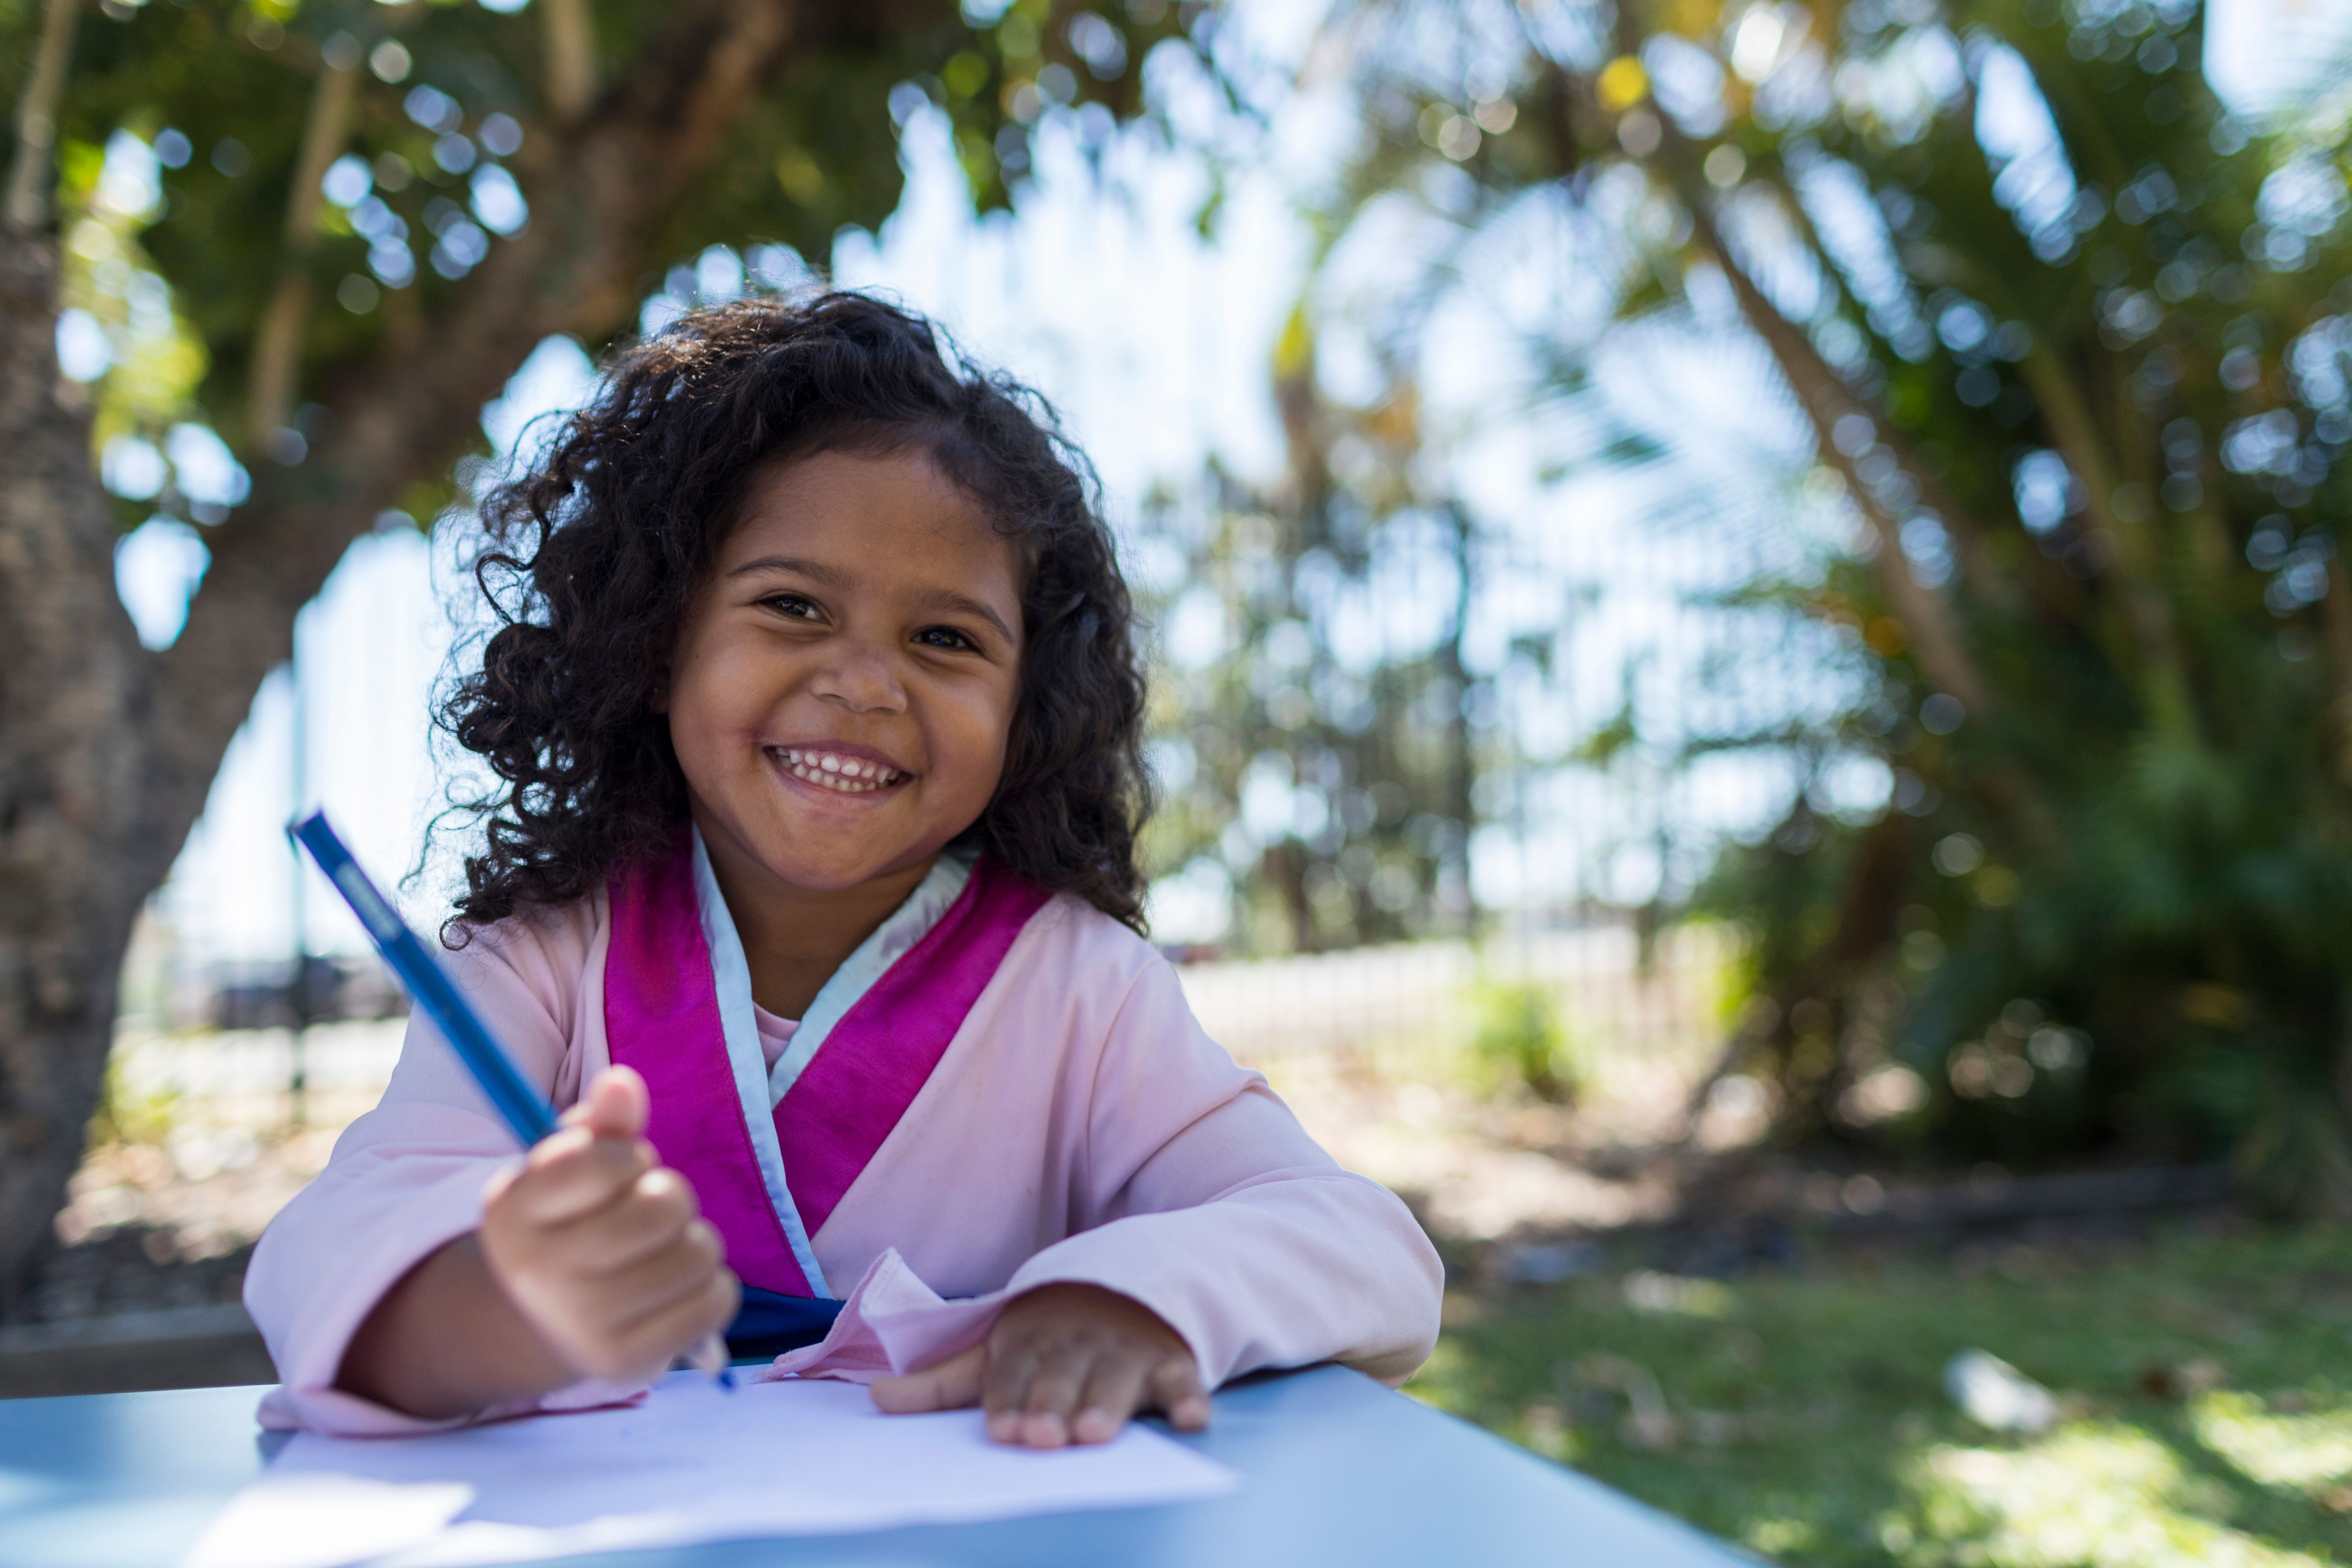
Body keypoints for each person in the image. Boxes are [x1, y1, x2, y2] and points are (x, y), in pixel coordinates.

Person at [244, 293, 1442, 1445]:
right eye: (793, 607)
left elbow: (1364, 1248)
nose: (866, 684)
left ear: (1028, 706)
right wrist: (498, 1300)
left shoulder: (1085, 988)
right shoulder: (544, 961)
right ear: (658, 640)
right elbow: (328, 1252)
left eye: (945, 638)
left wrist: (1131, 1299)